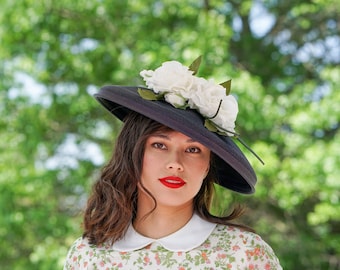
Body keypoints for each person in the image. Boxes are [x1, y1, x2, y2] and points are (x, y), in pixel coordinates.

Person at [64, 58, 282, 269]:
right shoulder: (88, 256)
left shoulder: (243, 254)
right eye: (159, 145)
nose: (175, 164)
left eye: (193, 149)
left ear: (208, 166)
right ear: (132, 152)